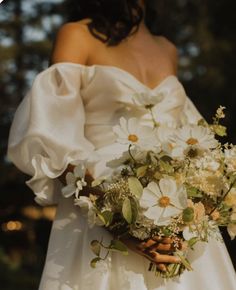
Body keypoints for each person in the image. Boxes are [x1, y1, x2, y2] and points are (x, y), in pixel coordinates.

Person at [7, 0, 236, 289]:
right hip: (98, 208)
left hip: (174, 217)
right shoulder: (78, 35)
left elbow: (190, 144)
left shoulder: (168, 49)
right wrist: (119, 223)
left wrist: (188, 216)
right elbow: (57, 140)